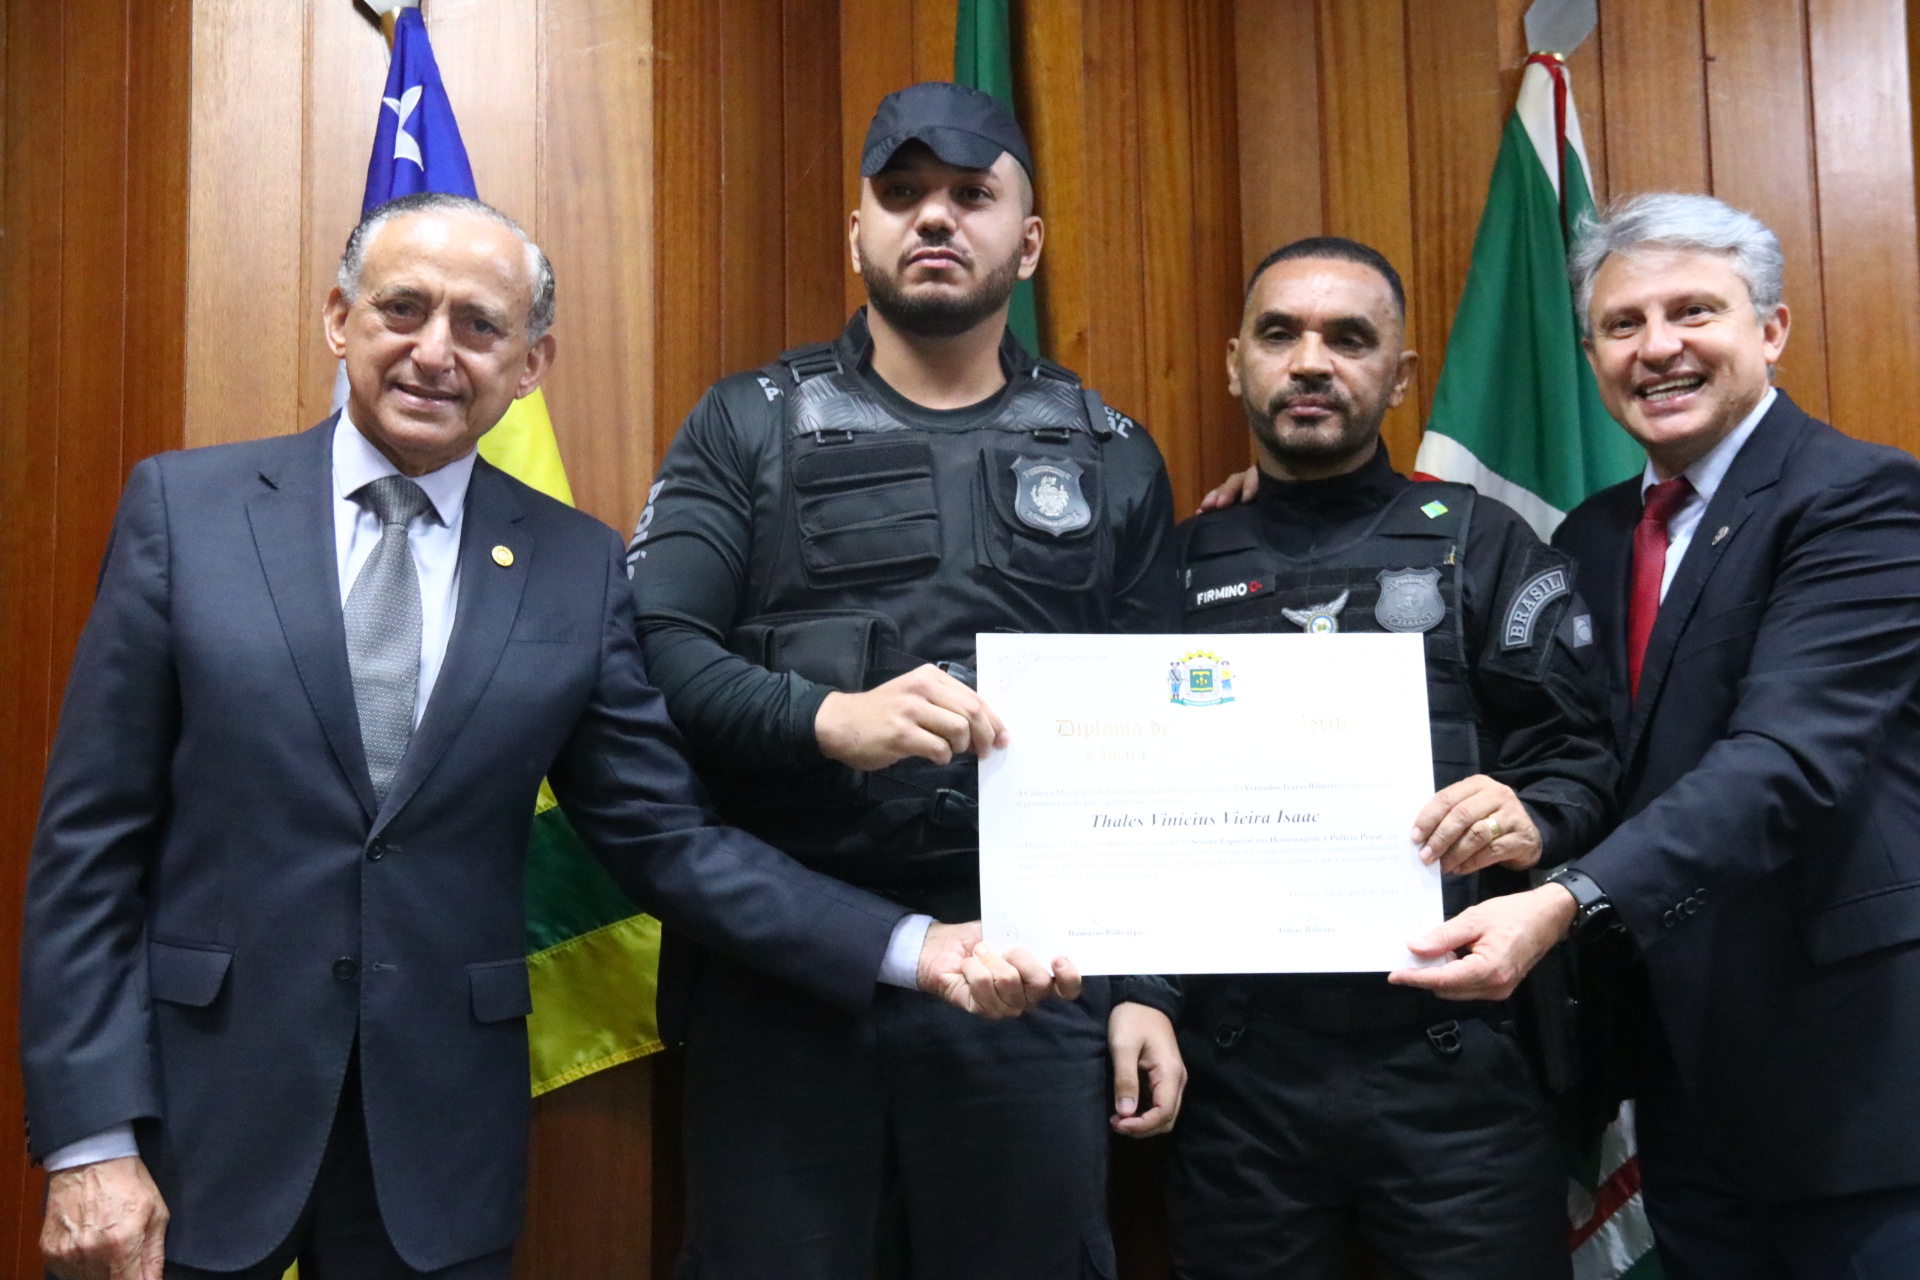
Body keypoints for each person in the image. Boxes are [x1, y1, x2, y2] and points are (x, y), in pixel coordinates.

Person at [20, 192, 1072, 1280]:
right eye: (402, 309)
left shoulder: (575, 567)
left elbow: (668, 839)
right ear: (340, 319)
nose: (436, 351)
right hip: (193, 1131)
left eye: (480, 325)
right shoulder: (186, 512)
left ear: (530, 364)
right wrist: (89, 1141)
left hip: (437, 1154)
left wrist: (913, 944)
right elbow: (89, 852)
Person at [627, 82, 1184, 1278]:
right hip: (784, 967)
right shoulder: (745, 423)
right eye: (902, 193)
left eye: (972, 195)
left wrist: (1147, 986)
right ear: (857, 232)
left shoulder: (1114, 452)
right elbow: (656, 650)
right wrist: (825, 716)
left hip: (1032, 980)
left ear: (1027, 242)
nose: (935, 217)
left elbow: (1161, 728)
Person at [1392, 193, 1920, 1277]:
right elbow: (1580, 748)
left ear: (1771, 329)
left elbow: (1784, 762)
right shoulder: (1592, 534)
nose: (1658, 346)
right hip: (1675, 1084)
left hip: (1853, 1080)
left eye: (1694, 311)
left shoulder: (1862, 499)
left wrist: (1566, 899)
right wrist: (1286, 509)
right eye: (1623, 324)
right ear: (1591, 355)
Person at [1169, 237, 1616, 1279]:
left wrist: (1533, 814)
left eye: (1349, 338)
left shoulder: (1485, 543)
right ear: (1236, 362)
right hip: (1235, 1074)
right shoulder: (1174, 564)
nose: (1311, 362)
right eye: (1280, 334)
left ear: (1401, 375)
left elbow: (1583, 752)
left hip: (1454, 1062)